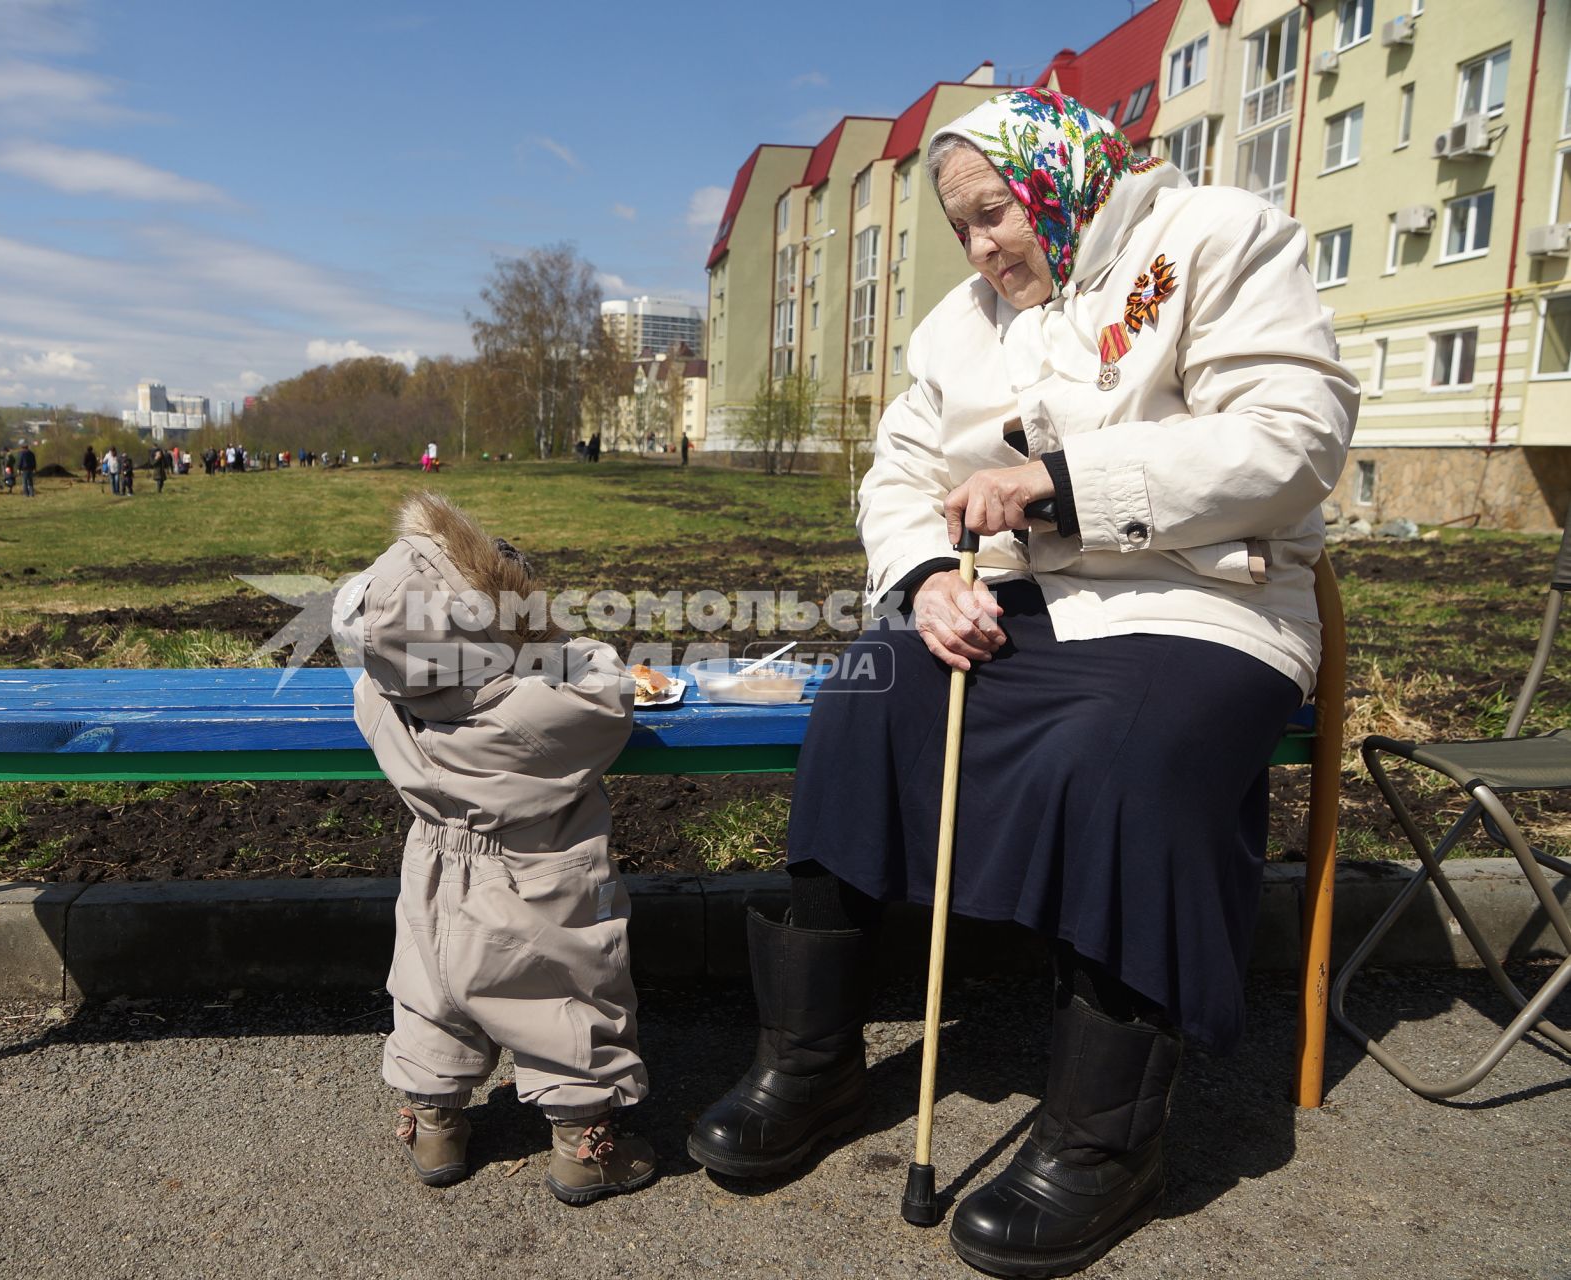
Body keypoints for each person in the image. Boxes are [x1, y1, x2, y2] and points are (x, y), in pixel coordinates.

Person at [685, 89, 1357, 1278]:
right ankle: (811, 1060)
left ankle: (1104, 1140)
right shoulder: (956, 328)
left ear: (1061, 178)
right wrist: (923, 576)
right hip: (1022, 602)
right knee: (867, 688)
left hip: (1204, 605)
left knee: (1122, 757)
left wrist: (1060, 480)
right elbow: (894, 478)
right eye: (963, 228)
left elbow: (1293, 436)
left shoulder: (1213, 237)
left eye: (994, 212)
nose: (984, 246)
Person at [337, 492, 655, 1206]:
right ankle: (583, 1149)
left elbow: (375, 675)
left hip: (435, 872)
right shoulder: (553, 704)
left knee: (429, 993)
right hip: (541, 872)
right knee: (566, 995)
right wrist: (546, 639)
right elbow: (605, 678)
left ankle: (433, 1128)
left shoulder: (385, 706)